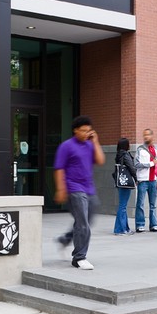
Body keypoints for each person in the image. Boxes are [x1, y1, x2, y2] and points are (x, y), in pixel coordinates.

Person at [54, 116, 105, 270]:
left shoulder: (90, 145)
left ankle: (66, 239)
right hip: (74, 188)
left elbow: (101, 160)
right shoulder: (66, 146)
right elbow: (59, 169)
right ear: (75, 130)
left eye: (88, 130)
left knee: (87, 220)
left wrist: (95, 141)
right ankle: (79, 257)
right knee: (82, 222)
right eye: (83, 130)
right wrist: (61, 189)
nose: (85, 133)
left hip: (89, 188)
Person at [134, 128, 157, 232]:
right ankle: (140, 224)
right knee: (140, 203)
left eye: (148, 135)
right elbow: (136, 164)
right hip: (143, 180)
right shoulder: (140, 149)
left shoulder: (156, 150)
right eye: (144, 135)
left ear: (152, 136)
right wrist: (151, 164)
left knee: (153, 204)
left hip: (153, 180)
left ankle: (153, 224)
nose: (146, 137)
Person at [112, 137, 136, 235]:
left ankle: (122, 228)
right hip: (126, 182)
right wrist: (136, 178)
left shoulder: (118, 154)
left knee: (122, 206)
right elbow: (131, 167)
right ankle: (120, 230)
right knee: (123, 206)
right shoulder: (125, 155)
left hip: (120, 182)